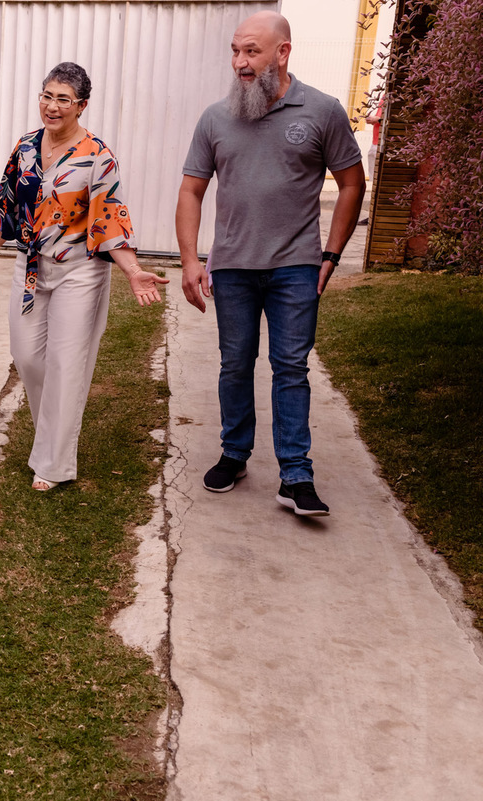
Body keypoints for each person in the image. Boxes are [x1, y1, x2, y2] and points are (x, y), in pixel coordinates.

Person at [175, 11, 366, 516]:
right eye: (235, 51)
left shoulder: (322, 110)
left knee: (291, 367)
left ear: (282, 52)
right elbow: (192, 190)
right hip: (233, 266)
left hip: (296, 267)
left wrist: (332, 254)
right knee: (235, 364)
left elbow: (352, 183)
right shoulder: (216, 117)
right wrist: (191, 259)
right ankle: (235, 453)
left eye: (251, 51)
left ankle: (295, 475)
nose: (240, 62)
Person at [0, 62, 169, 491]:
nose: (52, 106)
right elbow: (7, 207)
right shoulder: (25, 147)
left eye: (63, 99)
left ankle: (54, 462)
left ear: (81, 105)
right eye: (47, 95)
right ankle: (53, 435)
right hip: (29, 269)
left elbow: (111, 221)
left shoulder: (98, 155)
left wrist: (133, 272)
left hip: (79, 272)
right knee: (26, 357)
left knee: (66, 365)